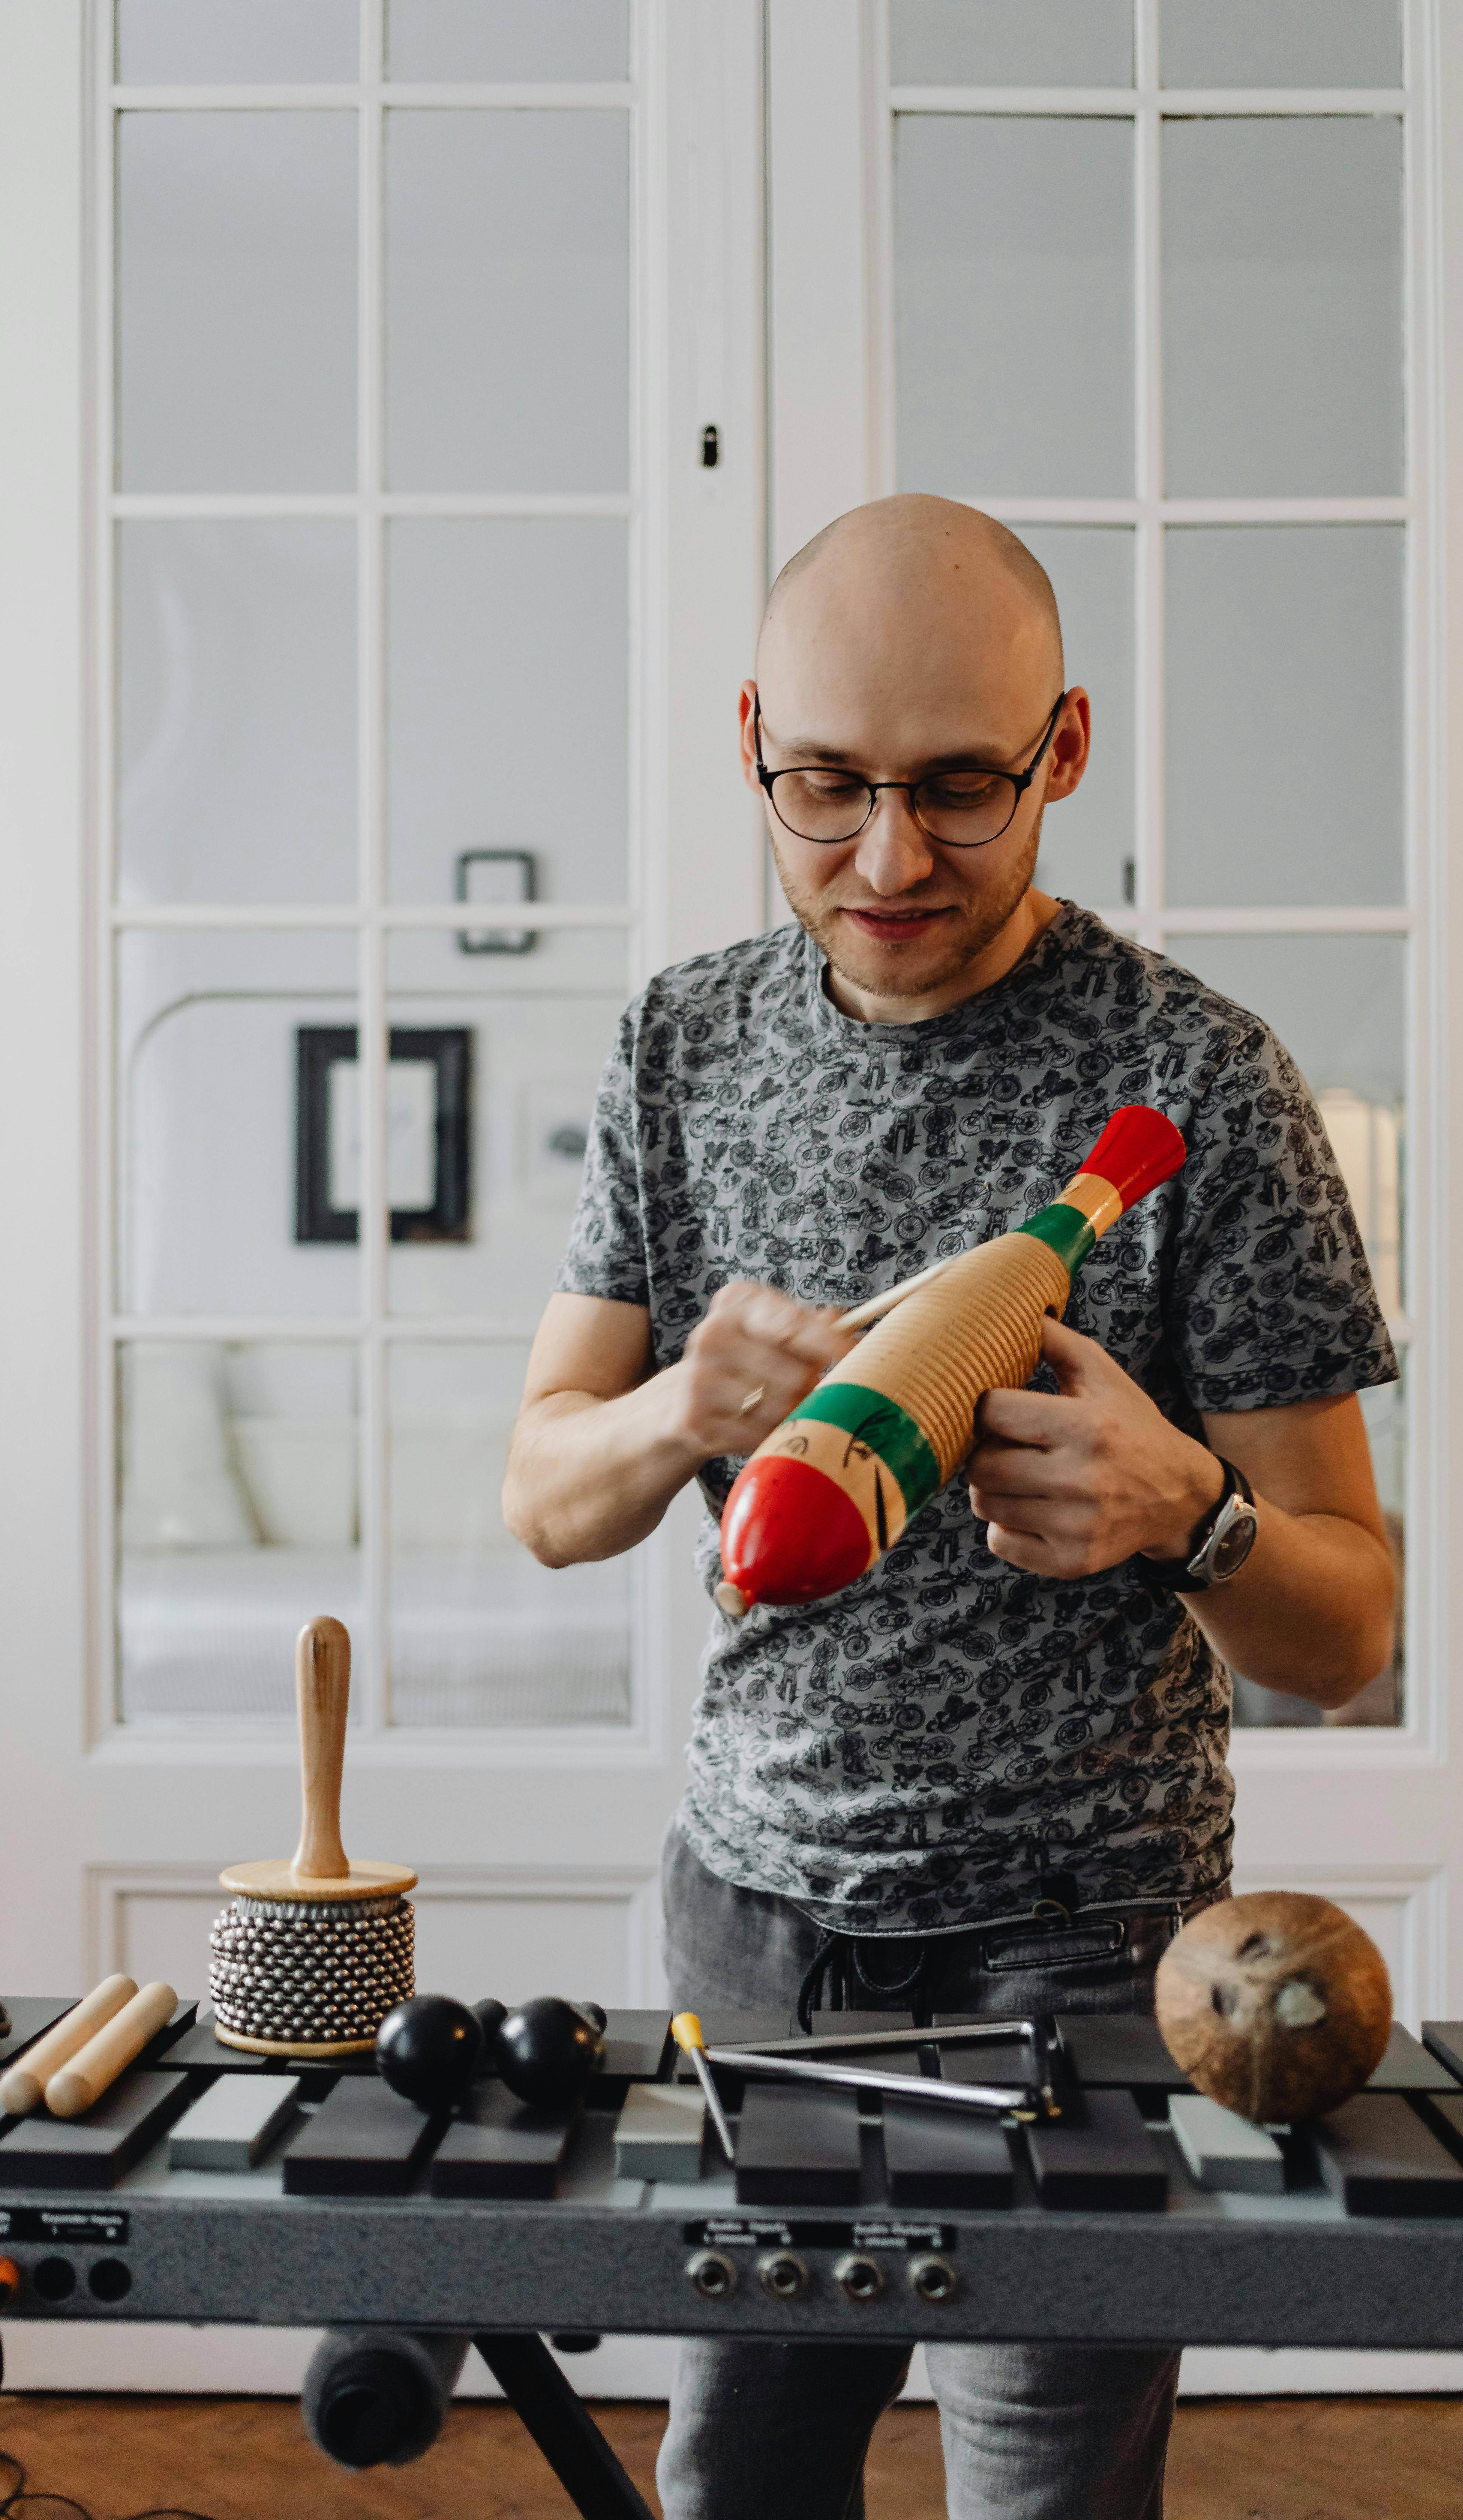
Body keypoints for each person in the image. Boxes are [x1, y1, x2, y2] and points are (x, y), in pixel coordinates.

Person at [503, 493, 1397, 2520]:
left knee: (1046, 2504)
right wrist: (670, 1415)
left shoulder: (1201, 1086)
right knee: (743, 2483)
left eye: (960, 791)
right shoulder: (683, 1044)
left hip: (1085, 1953)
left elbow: (1351, 1630)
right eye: (825, 790)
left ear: (1062, 750)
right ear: (753, 739)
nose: (889, 861)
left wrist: (1195, 1515)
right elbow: (546, 1496)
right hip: (759, 1923)